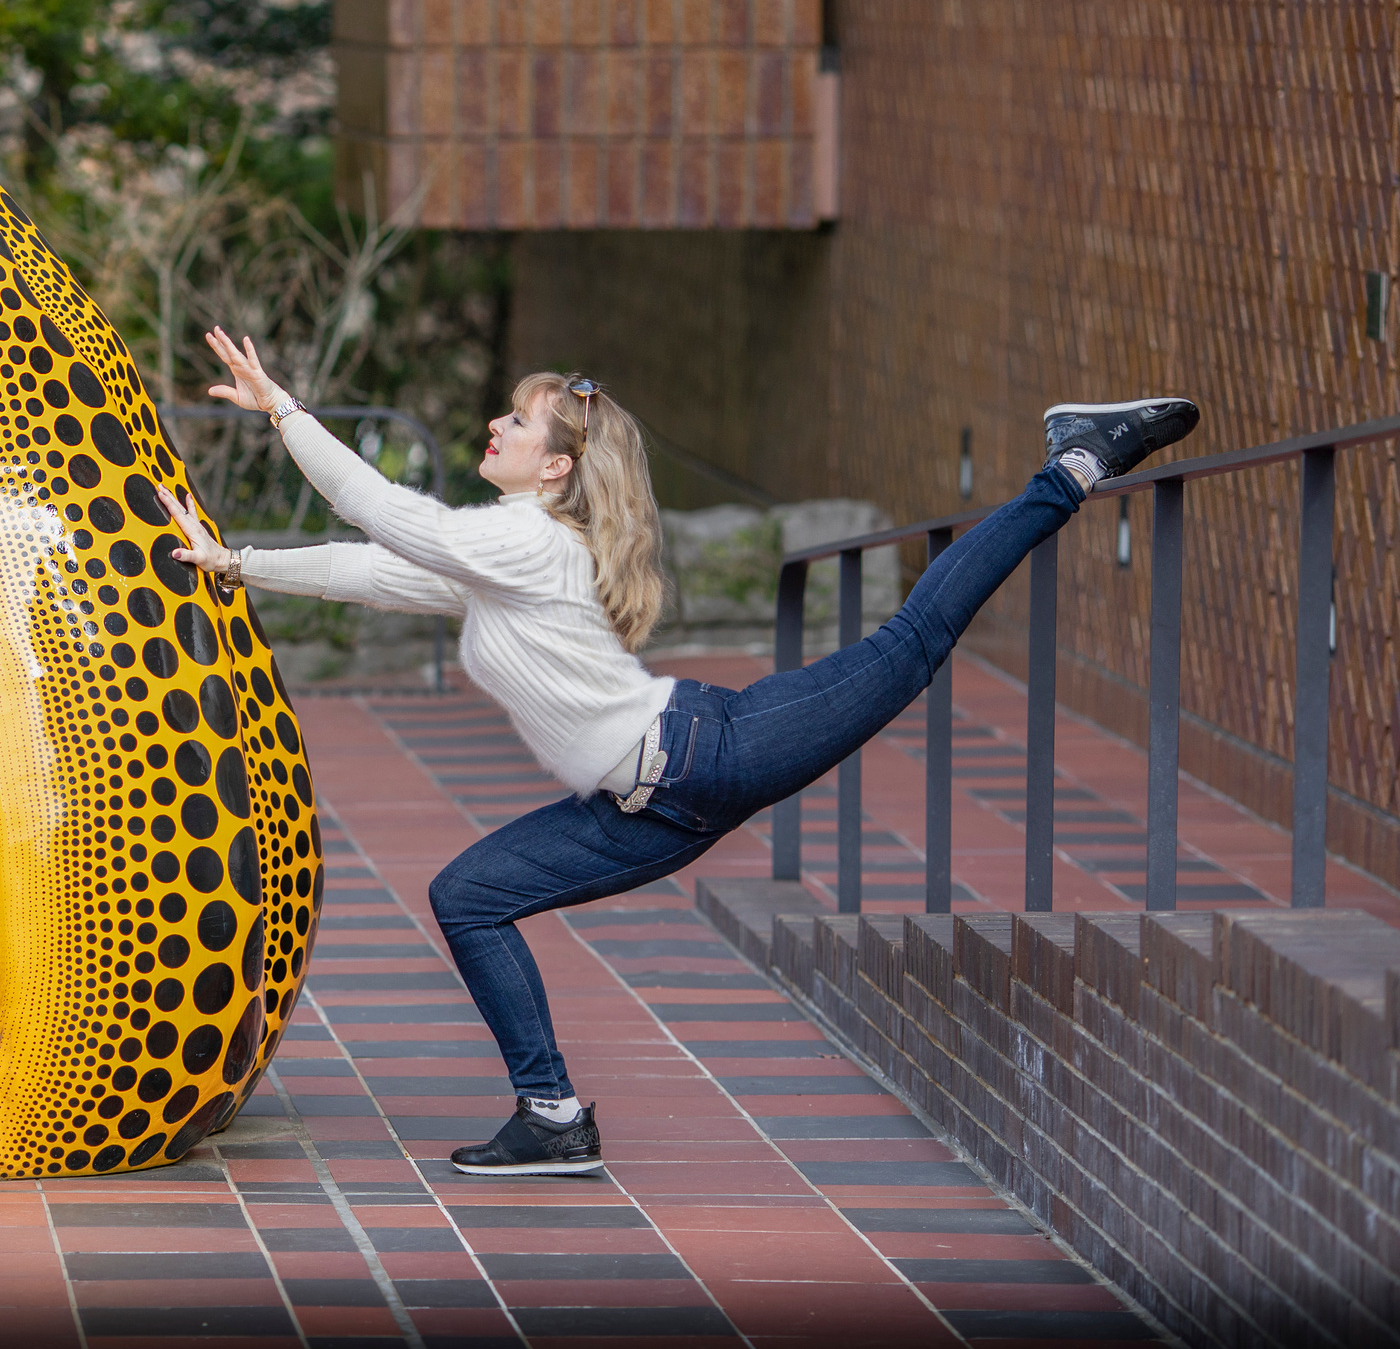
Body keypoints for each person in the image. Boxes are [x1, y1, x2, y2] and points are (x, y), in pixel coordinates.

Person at [156, 328, 1198, 1177]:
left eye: (513, 421)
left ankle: (1072, 463)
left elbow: (378, 510)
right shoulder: (509, 554)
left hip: (714, 756)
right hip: (647, 806)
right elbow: (384, 570)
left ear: (554, 466)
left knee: (912, 641)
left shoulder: (525, 540)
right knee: (469, 895)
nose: (494, 425)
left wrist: (283, 409)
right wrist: (235, 563)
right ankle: (553, 1116)